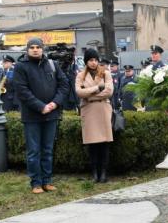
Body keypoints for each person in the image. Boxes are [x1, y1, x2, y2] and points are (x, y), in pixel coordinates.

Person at [12, 37, 69, 194]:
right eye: (32, 47)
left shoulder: (52, 64)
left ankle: (47, 181)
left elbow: (64, 86)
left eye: (38, 47)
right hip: (32, 116)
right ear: (27, 49)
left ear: (42, 49)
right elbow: (22, 91)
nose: (35, 49)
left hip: (51, 114)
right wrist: (40, 107)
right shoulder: (21, 67)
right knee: (33, 151)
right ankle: (36, 183)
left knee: (48, 149)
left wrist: (54, 104)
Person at [76, 49, 114, 183]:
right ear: (86, 61)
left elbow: (109, 92)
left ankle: (103, 173)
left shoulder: (105, 73)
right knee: (92, 145)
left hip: (103, 109)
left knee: (104, 144)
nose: (94, 63)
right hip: (89, 111)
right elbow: (79, 92)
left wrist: (90, 95)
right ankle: (94, 173)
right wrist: (97, 88)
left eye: (96, 60)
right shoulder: (81, 75)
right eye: (91, 60)